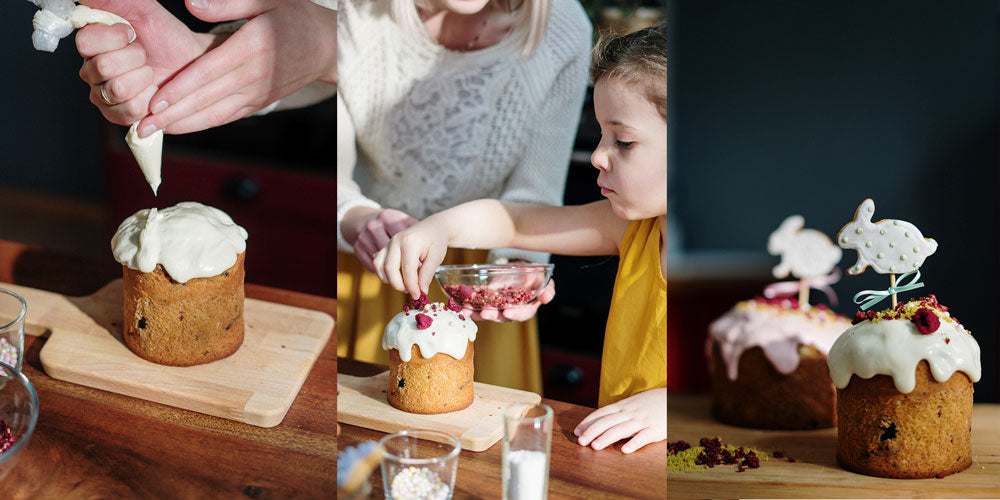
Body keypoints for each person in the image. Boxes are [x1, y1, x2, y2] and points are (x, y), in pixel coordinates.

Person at [373, 23, 666, 453]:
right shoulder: (632, 228)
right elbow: (516, 223)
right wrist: (439, 226)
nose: (599, 156)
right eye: (602, 135)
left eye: (623, 141)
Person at [335, 0, 592, 393]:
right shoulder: (353, 10)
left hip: (479, 281)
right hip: (369, 260)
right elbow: (334, 178)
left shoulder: (561, 26)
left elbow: (533, 197)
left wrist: (518, 266)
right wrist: (354, 216)